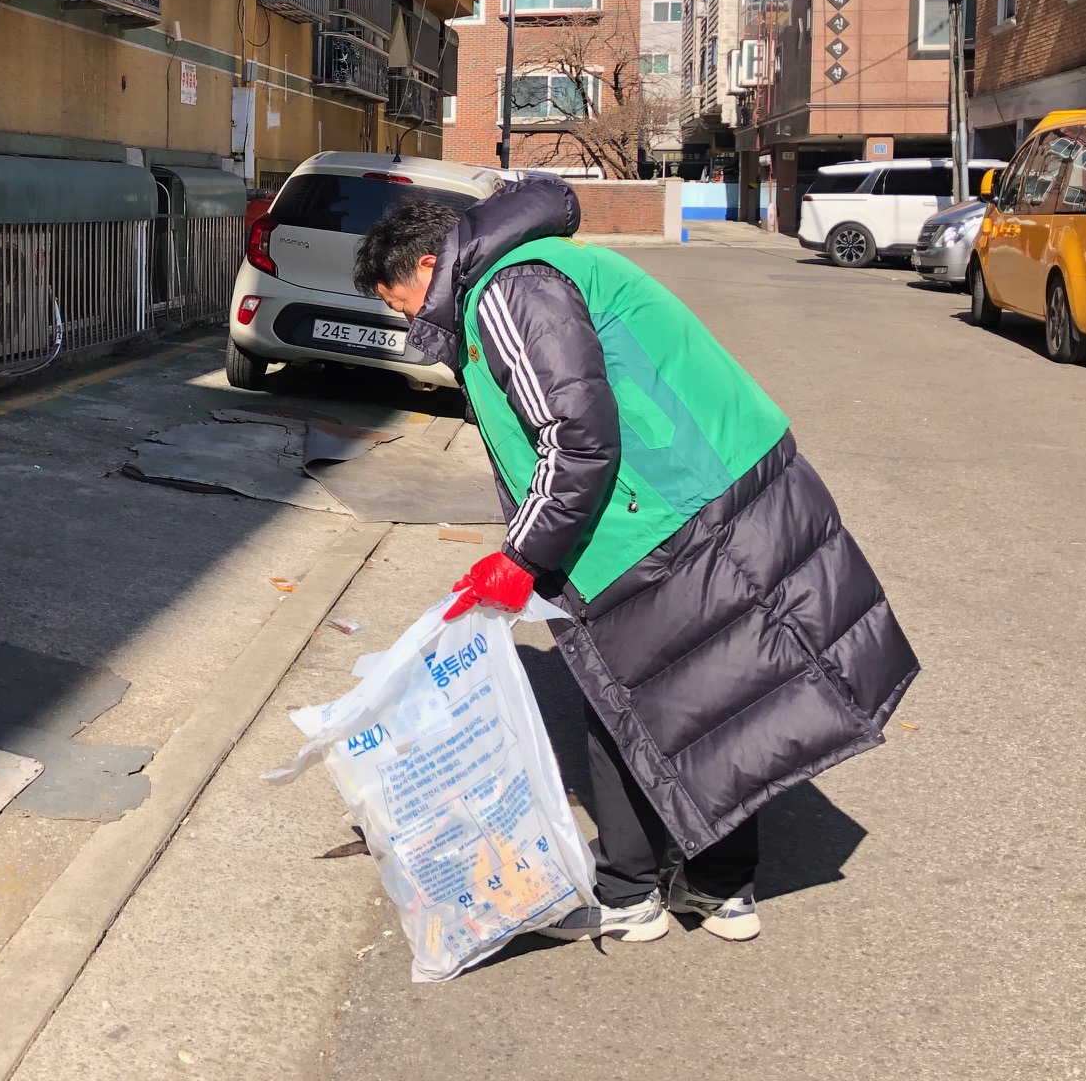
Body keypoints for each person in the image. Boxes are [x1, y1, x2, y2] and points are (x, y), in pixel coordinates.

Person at [352, 176, 917, 944]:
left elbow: (574, 438)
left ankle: (630, 890)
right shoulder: (543, 264)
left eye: (398, 303)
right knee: (718, 697)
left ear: (425, 267)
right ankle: (722, 888)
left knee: (622, 697)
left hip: (657, 518)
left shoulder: (503, 290)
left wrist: (523, 555)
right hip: (710, 492)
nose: (408, 320)